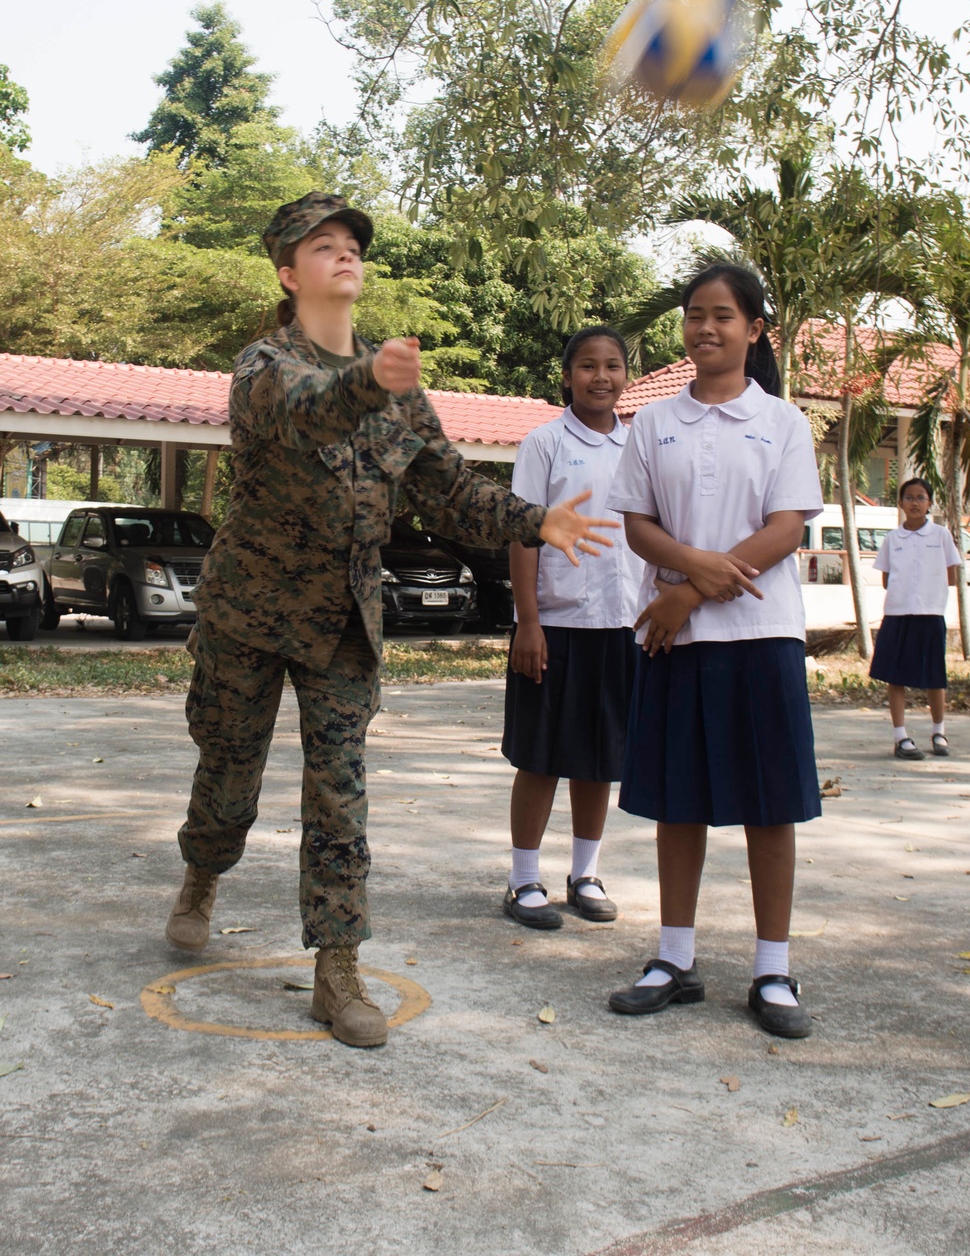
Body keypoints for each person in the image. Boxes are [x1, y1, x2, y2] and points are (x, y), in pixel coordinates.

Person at [164, 191, 618, 1049]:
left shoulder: (400, 390)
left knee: (340, 796)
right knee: (229, 780)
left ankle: (337, 970)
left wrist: (537, 521)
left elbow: (449, 490)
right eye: (322, 245)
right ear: (288, 272)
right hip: (249, 617)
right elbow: (303, 414)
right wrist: (367, 383)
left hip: (342, 623)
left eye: (351, 245)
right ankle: (203, 871)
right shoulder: (263, 364)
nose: (344, 254)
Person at [604, 262, 824, 1039]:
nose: (706, 328)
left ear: (754, 330)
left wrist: (689, 589)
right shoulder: (654, 423)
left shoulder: (784, 423)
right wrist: (687, 576)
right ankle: (673, 958)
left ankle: (772, 968)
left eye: (724, 316)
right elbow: (636, 524)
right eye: (695, 314)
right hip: (674, 640)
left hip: (758, 635)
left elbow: (786, 528)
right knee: (678, 800)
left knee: (771, 806)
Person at [501, 326, 644, 930]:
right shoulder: (545, 443)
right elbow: (522, 531)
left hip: (622, 626)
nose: (601, 377)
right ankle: (522, 879)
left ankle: (585, 873)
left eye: (612, 366)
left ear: (626, 377)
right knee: (541, 757)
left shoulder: (641, 446)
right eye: (588, 366)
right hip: (556, 625)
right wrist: (528, 623)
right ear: (567, 376)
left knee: (600, 758)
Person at [869, 478, 961, 759]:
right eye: (909, 497)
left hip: (931, 614)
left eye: (921, 497)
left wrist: (927, 594)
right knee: (895, 676)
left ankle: (939, 732)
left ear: (929, 503)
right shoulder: (892, 539)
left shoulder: (941, 536)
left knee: (935, 677)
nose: (915, 502)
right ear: (900, 503)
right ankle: (901, 738)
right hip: (897, 614)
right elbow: (886, 579)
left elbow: (951, 574)